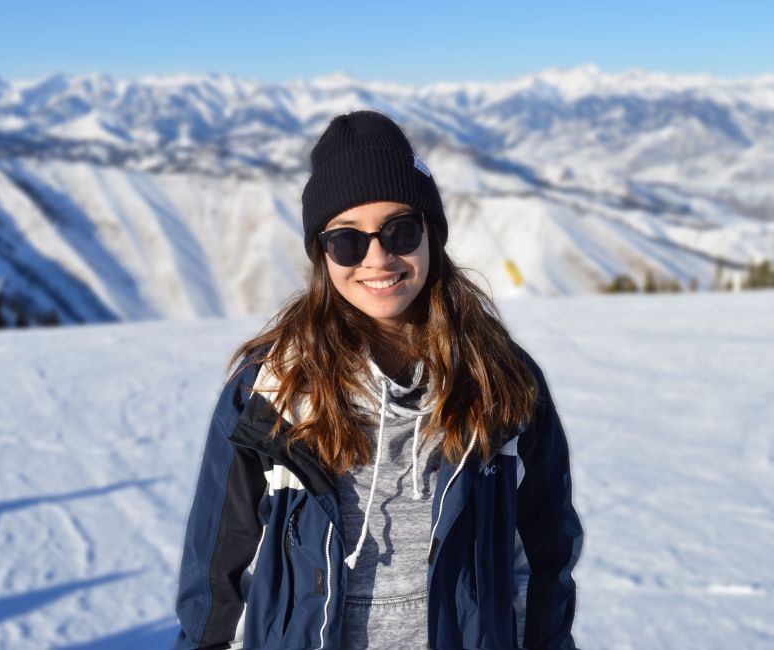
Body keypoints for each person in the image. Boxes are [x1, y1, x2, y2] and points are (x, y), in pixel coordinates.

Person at [173, 110, 583, 650]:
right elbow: (218, 577)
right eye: (347, 241)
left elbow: (542, 559)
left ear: (431, 235)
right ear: (321, 253)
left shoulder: (502, 385)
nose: (378, 258)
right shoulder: (272, 393)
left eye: (400, 231)